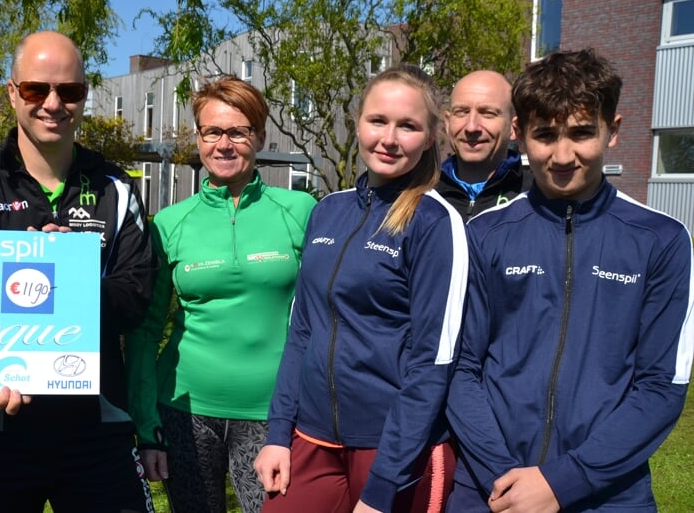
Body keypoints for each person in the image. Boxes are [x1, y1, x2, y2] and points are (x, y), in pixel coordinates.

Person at [446, 49, 694, 512]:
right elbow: (461, 369)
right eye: (545, 135)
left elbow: (661, 386)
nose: (563, 155)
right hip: (489, 490)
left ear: (613, 130)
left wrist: (563, 481)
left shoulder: (661, 240)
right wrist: (507, 478)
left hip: (608, 494)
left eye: (582, 133)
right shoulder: (483, 235)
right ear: (520, 135)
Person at [0, 30, 156, 513]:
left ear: (84, 97)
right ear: (13, 93)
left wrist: (71, 279)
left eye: (70, 91)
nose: (53, 104)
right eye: (37, 89)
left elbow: (135, 297)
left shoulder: (115, 186)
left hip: (94, 421)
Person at [254, 64, 469, 512]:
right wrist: (278, 435)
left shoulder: (434, 222)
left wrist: (383, 486)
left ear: (430, 136)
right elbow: (302, 331)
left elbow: (434, 362)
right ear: (359, 124)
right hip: (311, 438)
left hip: (392, 449)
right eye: (378, 121)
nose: (389, 138)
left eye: (408, 125)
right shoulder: (327, 211)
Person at [124, 76, 317, 513]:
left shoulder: (300, 211)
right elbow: (145, 330)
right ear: (198, 137)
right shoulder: (170, 223)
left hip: (274, 413)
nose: (224, 144)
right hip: (184, 410)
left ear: (260, 137)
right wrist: (147, 426)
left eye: (238, 132)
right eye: (213, 131)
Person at [436, 70, 532, 221]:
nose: (471, 127)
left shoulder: (538, 199)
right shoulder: (419, 197)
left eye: (488, 113)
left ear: (514, 128)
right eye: (461, 112)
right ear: (447, 124)